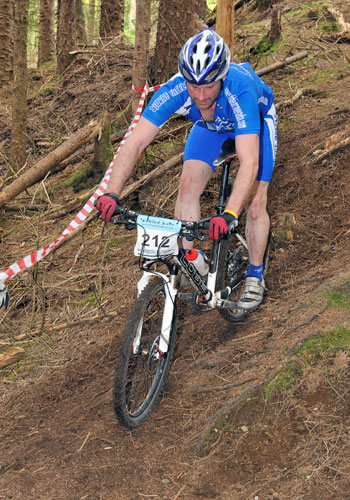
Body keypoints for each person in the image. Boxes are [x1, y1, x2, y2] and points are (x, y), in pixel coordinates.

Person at [96, 28, 277, 312]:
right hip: (211, 128)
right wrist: (111, 193)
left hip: (254, 122)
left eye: (208, 87)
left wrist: (229, 214)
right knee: (187, 186)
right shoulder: (176, 89)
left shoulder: (238, 87)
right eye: (194, 86)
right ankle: (193, 260)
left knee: (254, 203)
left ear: (222, 77)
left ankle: (255, 275)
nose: (201, 95)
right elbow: (135, 143)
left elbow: (250, 161)